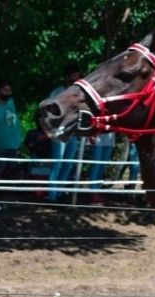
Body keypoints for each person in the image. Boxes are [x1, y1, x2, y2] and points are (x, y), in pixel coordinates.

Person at [45, 64, 82, 202]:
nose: (76, 78)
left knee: (68, 164)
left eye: (77, 76)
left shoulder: (78, 93)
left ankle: (59, 192)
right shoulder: (58, 92)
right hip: (59, 133)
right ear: (67, 77)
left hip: (72, 133)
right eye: (74, 76)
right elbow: (47, 109)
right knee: (58, 163)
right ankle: (52, 194)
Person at [87, 132, 116, 204]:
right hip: (96, 137)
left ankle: (98, 191)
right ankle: (93, 193)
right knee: (96, 166)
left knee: (102, 166)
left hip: (109, 138)